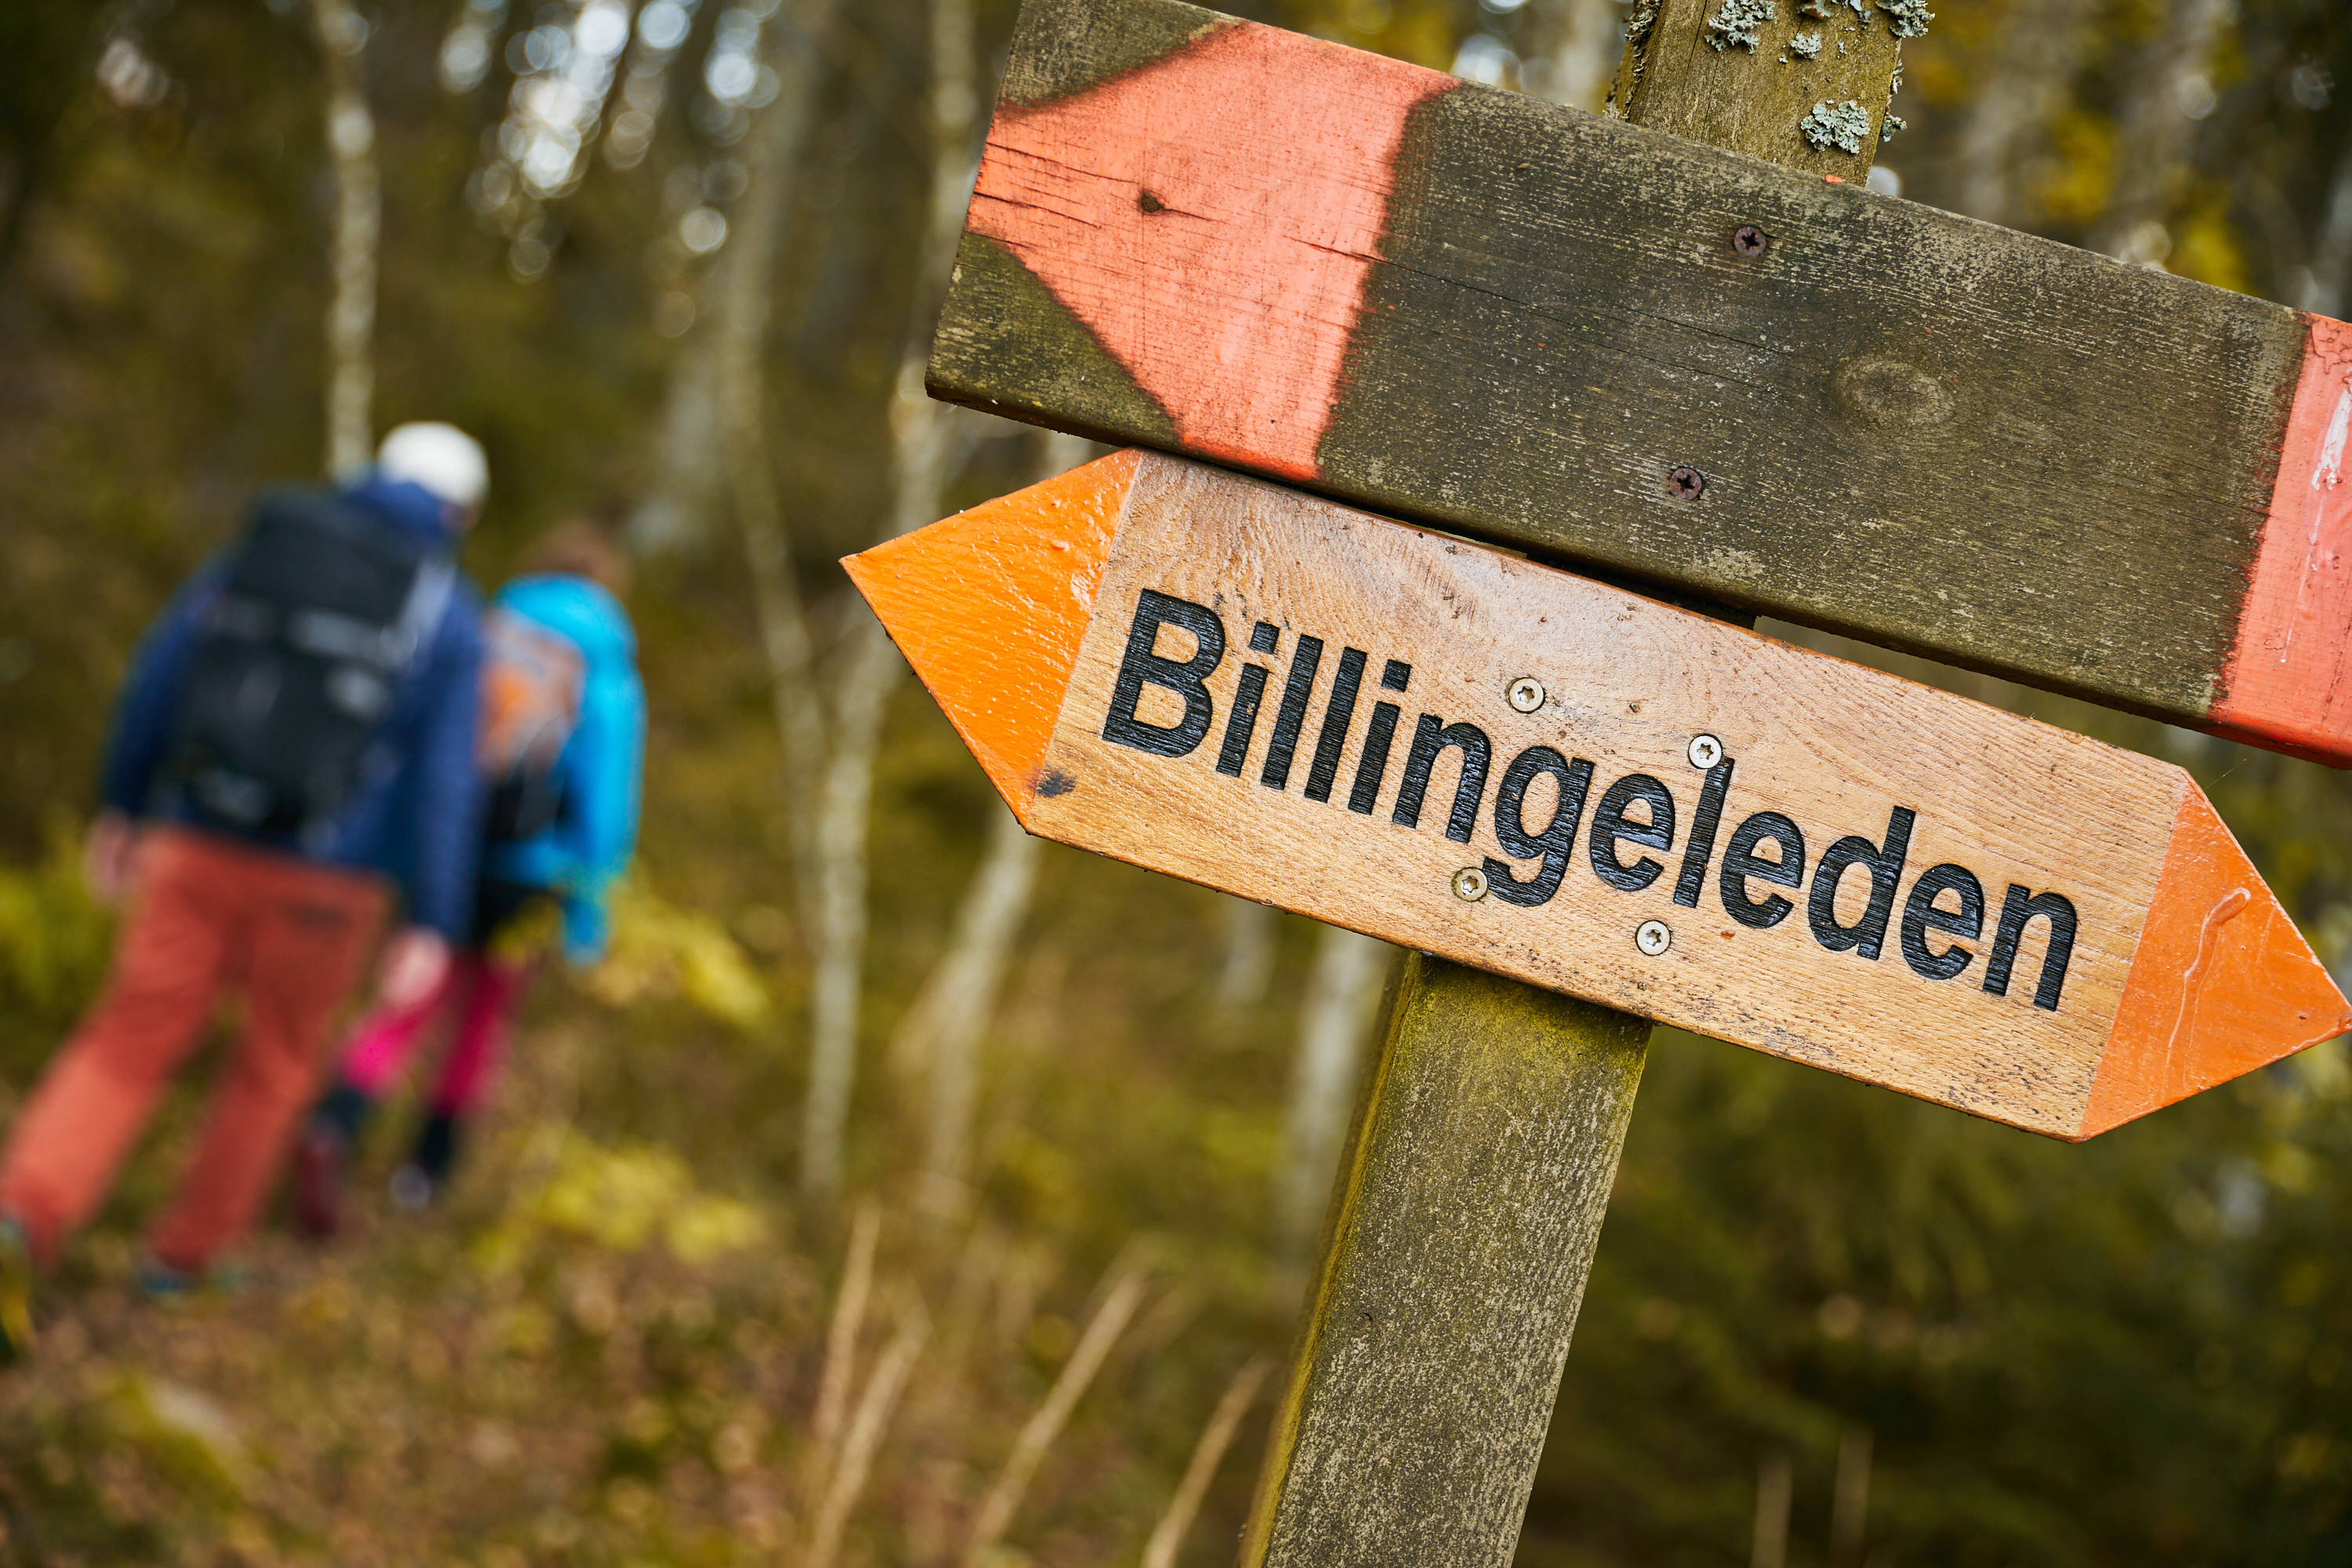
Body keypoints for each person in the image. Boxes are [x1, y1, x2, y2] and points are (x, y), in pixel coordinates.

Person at [0, 423, 492, 1360]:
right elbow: (442, 780)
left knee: (125, 1038)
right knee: (272, 1067)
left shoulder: (268, 549)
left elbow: (164, 673)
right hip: (329, 884)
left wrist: (124, 802)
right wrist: (432, 916)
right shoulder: (448, 613)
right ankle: (184, 1259)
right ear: (461, 513)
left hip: (196, 837)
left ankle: (23, 1214)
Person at [292, 521, 643, 1234]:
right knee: (482, 1021)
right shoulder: (605, 659)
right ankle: (425, 1177)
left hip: (449, 852)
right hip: (532, 871)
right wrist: (587, 911)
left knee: (409, 1001)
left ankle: (335, 1123)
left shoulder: (493, 625)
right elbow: (607, 797)